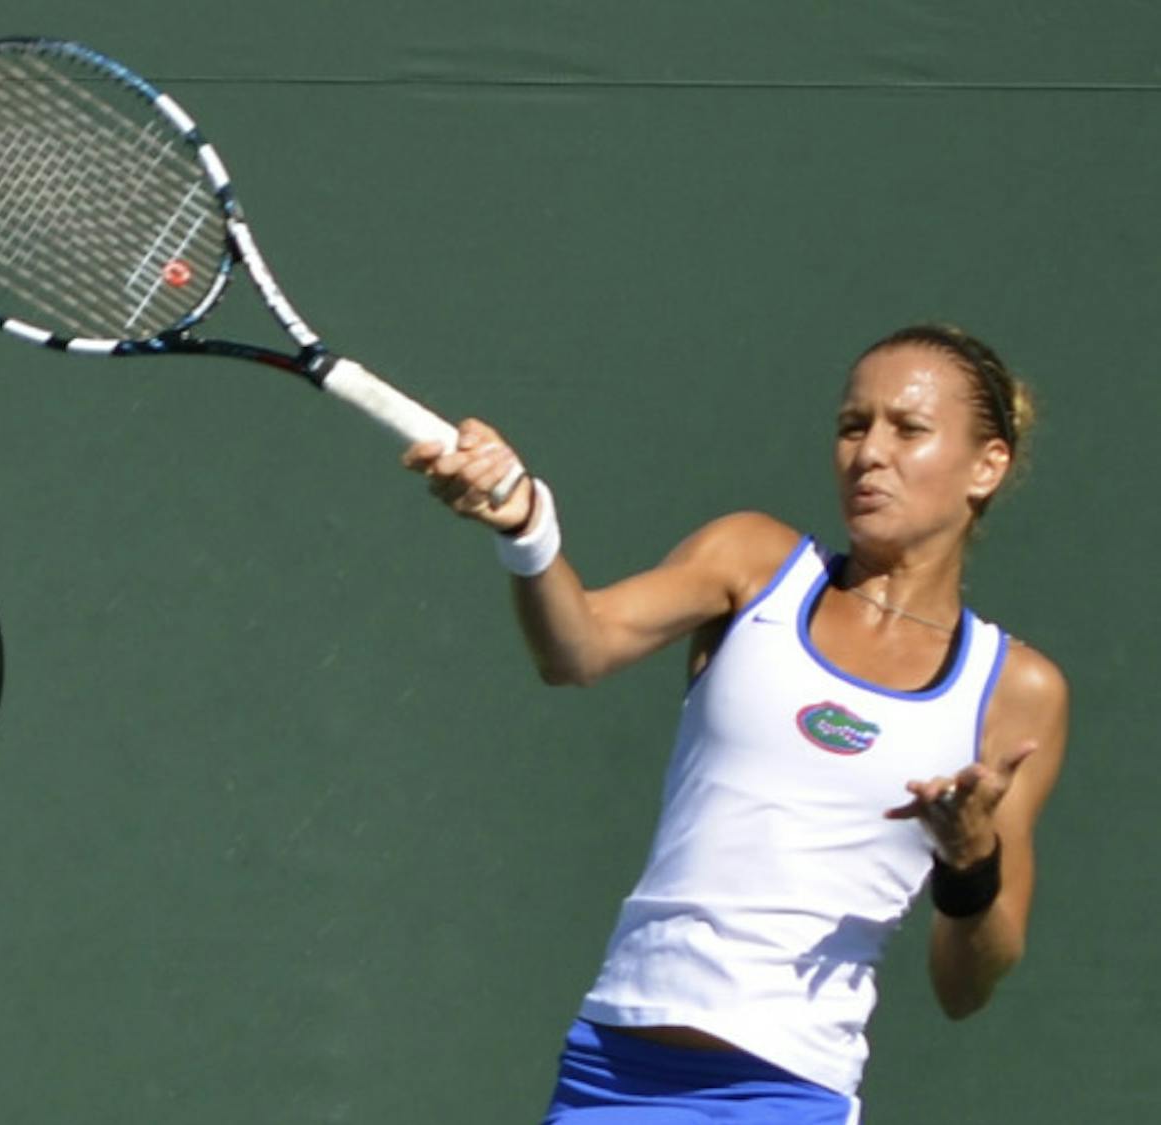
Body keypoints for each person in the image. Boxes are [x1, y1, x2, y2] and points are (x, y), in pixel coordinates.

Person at [403, 324, 1068, 1124]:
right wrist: (527, 529)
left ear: (986, 466)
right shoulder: (751, 560)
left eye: (909, 428)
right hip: (613, 1068)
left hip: (787, 1094)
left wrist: (970, 862)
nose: (868, 453)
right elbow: (575, 647)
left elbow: (968, 985)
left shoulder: (1018, 690)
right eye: (853, 426)